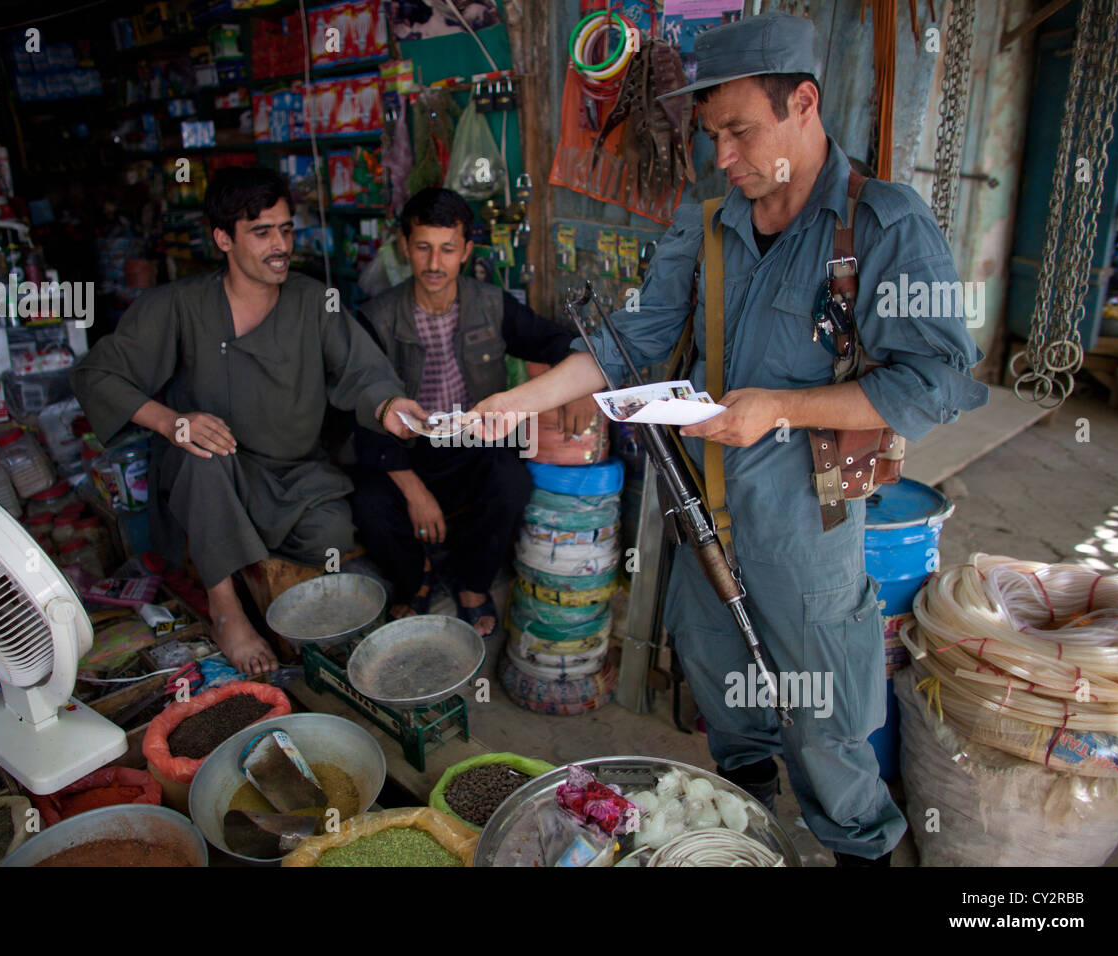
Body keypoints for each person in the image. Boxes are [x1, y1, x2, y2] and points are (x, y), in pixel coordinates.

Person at [471, 12, 989, 864]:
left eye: (740, 132)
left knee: (827, 739)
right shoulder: (709, 219)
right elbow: (631, 339)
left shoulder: (885, 227)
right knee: (731, 718)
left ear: (805, 105)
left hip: (806, 536)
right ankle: (747, 841)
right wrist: (523, 397)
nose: (724, 157)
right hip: (706, 522)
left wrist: (783, 408)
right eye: (712, 135)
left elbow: (935, 383)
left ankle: (861, 849)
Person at [71, 167, 425, 674]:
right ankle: (226, 610)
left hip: (293, 474)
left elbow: (362, 369)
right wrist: (173, 423)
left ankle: (237, 553)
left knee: (332, 538)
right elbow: (97, 374)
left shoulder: (313, 299)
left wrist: (389, 406)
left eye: (286, 230)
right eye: (261, 233)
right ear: (222, 238)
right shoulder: (177, 305)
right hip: (211, 469)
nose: (280, 245)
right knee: (206, 451)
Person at [351, 188, 598, 637]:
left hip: (472, 444)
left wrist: (580, 384)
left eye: (447, 249)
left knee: (510, 481)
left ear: (466, 250)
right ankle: (417, 577)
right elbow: (361, 409)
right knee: (368, 502)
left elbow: (555, 339)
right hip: (404, 452)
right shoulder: (375, 318)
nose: (433, 263)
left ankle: (471, 583)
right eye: (422, 247)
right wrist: (414, 491)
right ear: (405, 246)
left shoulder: (491, 304)